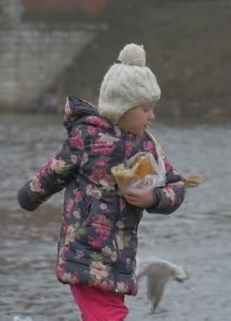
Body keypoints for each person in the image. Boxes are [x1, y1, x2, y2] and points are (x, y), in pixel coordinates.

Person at [17, 43, 187, 320]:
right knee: (109, 315)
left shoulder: (148, 147)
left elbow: (177, 186)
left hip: (121, 258)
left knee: (106, 314)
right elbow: (55, 171)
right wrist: (30, 195)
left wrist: (153, 198)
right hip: (85, 249)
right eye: (145, 109)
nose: (152, 117)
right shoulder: (87, 138)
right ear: (123, 108)